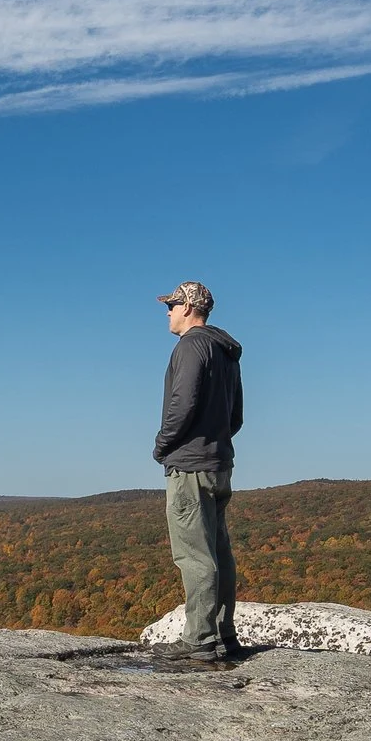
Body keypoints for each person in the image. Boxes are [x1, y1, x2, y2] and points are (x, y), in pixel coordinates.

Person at [152, 280, 244, 661]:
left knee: (194, 554)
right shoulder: (225, 351)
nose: (168, 312)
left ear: (189, 307)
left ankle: (199, 640)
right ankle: (223, 635)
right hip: (219, 463)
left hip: (190, 464)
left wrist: (163, 444)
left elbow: (183, 401)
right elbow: (236, 414)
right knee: (219, 551)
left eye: (172, 305)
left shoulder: (190, 346)